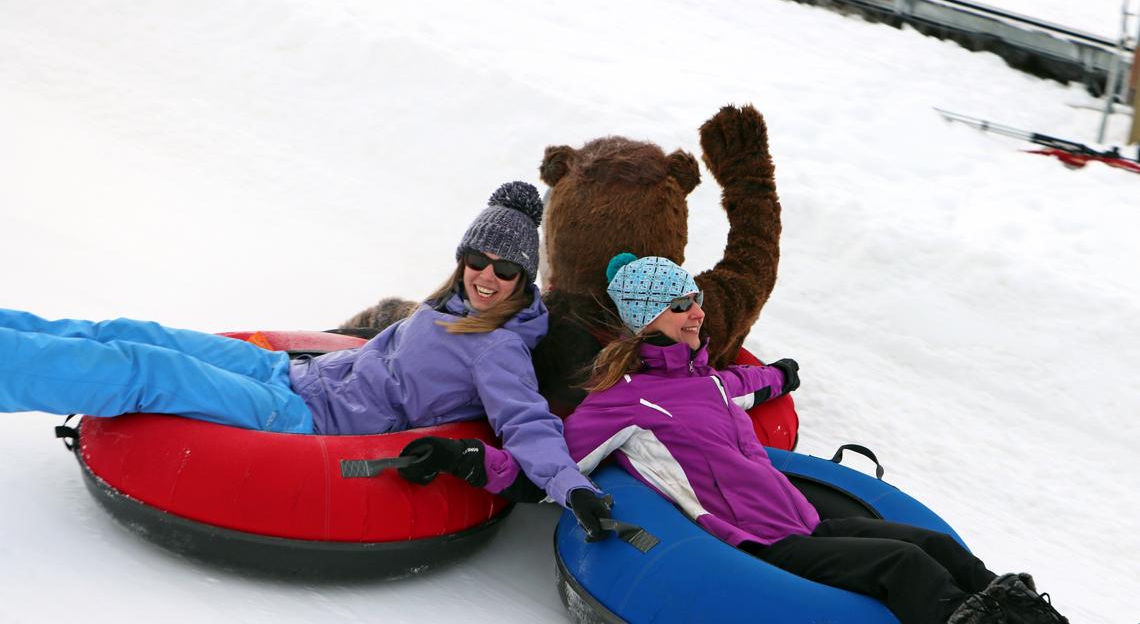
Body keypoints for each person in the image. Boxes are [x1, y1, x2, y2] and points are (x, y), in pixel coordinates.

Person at [410, 253, 1068, 624]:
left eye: (694, 297)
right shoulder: (620, 401)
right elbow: (549, 459)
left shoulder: (706, 378)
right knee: (906, 567)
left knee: (932, 543)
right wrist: (467, 459)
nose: (697, 310)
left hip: (804, 519)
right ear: (646, 323)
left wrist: (778, 375)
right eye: (681, 305)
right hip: (764, 544)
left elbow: (743, 386)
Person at [0, 181, 608, 519]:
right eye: (477, 259)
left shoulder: (499, 347)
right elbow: (382, 353)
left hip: (306, 417)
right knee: (140, 333)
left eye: (504, 268)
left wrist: (571, 487)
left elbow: (524, 420)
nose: (486, 276)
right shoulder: (446, 307)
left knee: (142, 369)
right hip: (296, 373)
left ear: (524, 278)